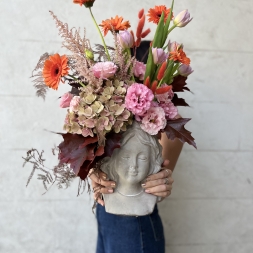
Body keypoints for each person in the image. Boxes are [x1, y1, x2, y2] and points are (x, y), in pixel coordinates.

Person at [89, 41, 183, 253]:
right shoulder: (109, 110)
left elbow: (161, 170)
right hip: (106, 211)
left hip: (135, 219)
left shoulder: (167, 117)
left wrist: (163, 179)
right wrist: (93, 171)